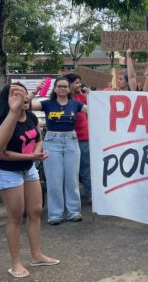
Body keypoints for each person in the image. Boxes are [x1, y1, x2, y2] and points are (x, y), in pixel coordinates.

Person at [0, 84, 59, 278]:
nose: (25, 97)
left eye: (24, 93)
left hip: (29, 169)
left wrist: (36, 152)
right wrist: (31, 158)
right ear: (9, 99)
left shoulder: (31, 117)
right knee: (16, 217)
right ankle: (16, 263)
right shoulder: (2, 123)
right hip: (7, 172)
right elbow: (1, 153)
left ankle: (36, 255)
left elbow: (38, 138)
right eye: (17, 94)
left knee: (36, 211)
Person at [31, 77, 87, 225]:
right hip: (52, 142)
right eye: (59, 86)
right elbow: (26, 105)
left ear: (69, 89)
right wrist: (35, 90)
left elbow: (95, 109)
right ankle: (55, 214)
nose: (62, 89)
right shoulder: (47, 104)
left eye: (65, 86)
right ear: (54, 89)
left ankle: (74, 212)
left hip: (71, 141)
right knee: (54, 180)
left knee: (72, 179)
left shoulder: (76, 104)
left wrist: (90, 95)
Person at [64, 73, 91, 204]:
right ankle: (72, 198)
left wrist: (91, 95)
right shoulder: (64, 101)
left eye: (80, 82)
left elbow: (93, 109)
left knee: (86, 169)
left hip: (85, 139)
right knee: (72, 171)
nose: (79, 85)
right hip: (71, 140)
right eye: (76, 83)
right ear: (68, 85)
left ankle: (90, 194)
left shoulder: (81, 97)